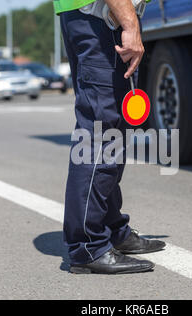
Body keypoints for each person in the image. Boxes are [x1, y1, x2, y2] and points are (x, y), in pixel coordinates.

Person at [54, 0, 166, 274]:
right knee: (100, 134)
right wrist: (129, 22)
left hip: (94, 17)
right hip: (102, 18)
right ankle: (89, 246)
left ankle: (110, 228)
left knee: (112, 131)